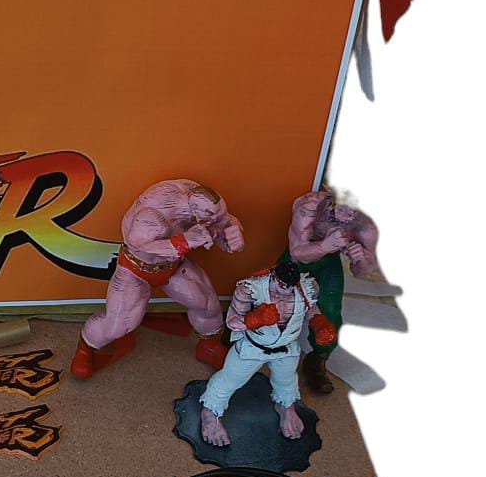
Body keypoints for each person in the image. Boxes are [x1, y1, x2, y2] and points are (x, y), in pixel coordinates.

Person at [72, 179, 244, 378]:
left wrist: (233, 233)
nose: (214, 221)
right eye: (210, 217)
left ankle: (209, 346)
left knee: (207, 304)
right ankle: (85, 348)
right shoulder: (153, 214)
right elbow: (138, 243)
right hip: (135, 269)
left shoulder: (197, 196)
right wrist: (184, 241)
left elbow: (224, 221)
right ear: (192, 206)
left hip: (173, 266)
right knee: (118, 325)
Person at [198, 259, 335, 446]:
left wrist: (320, 324)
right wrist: (255, 319)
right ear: (275, 277)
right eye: (282, 285)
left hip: (287, 348)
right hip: (253, 347)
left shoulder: (305, 288)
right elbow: (232, 322)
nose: (286, 291)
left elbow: (311, 309)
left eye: (291, 287)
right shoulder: (250, 289)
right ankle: (209, 413)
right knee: (230, 379)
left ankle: (285, 407)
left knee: (286, 380)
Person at [284, 188, 379, 394]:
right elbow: (297, 253)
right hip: (303, 253)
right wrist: (324, 246)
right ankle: (256, 338)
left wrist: (360, 259)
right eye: (346, 206)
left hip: (329, 259)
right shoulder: (310, 207)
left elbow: (363, 272)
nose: (351, 213)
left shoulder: (366, 225)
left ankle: (318, 358)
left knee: (331, 309)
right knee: (273, 292)